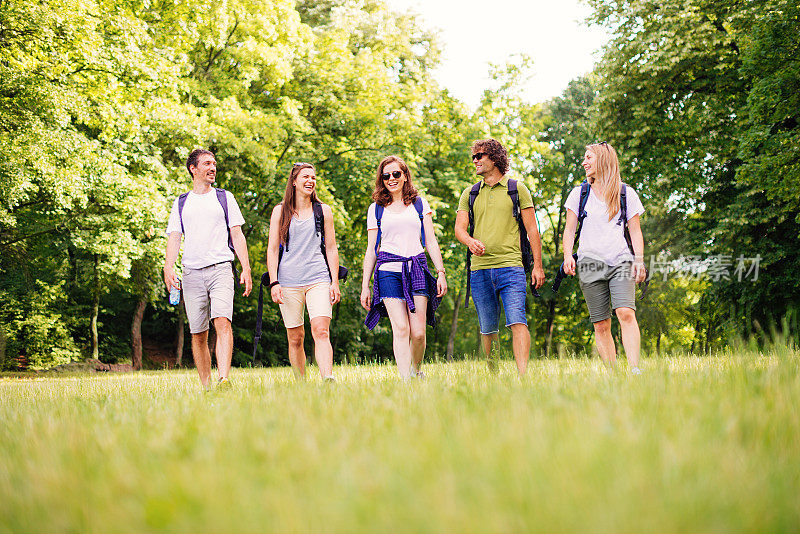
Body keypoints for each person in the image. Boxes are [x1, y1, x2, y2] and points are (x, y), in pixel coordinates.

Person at [454, 138, 545, 375]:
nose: (475, 161)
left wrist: (538, 266)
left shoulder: (517, 189)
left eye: (479, 156)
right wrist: (470, 241)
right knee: (487, 328)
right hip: (479, 270)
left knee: (517, 320)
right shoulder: (470, 193)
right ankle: (493, 376)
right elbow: (459, 229)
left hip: (511, 266)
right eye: (473, 157)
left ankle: (523, 376)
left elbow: (532, 230)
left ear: (494, 158)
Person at [164, 148, 253, 390]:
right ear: (193, 169)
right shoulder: (181, 203)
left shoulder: (225, 198)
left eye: (214, 163)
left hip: (221, 268)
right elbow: (174, 237)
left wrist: (245, 267)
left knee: (222, 321)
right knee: (198, 333)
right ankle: (206, 386)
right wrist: (168, 267)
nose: (212, 167)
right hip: (192, 273)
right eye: (206, 163)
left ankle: (224, 379)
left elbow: (237, 233)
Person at [561, 142, 646, 374]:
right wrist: (568, 255)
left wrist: (639, 260)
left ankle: (635, 369)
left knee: (625, 312)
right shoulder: (579, 194)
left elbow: (635, 230)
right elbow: (569, 230)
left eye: (589, 157)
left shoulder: (626, 193)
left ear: (603, 160)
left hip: (621, 260)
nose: (584, 162)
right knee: (601, 323)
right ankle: (613, 373)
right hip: (589, 263)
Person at [361, 156, 447, 379]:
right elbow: (372, 249)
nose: (391, 179)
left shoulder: (419, 204)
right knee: (401, 329)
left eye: (396, 174)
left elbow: (431, 241)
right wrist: (365, 286)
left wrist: (440, 272)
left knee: (418, 333)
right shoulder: (376, 209)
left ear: (405, 175)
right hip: (388, 271)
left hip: (416, 267)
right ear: (382, 179)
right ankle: (405, 382)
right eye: (386, 175)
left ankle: (416, 370)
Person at [266, 163, 341, 380]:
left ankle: (328, 378)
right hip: (288, 281)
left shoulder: (323, 210)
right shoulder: (280, 211)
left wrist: (334, 281)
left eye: (313, 177)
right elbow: (272, 249)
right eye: (305, 177)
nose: (310, 181)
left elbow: (331, 248)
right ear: (294, 181)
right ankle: (301, 383)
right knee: (295, 337)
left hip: (318, 278)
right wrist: (274, 282)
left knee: (321, 330)